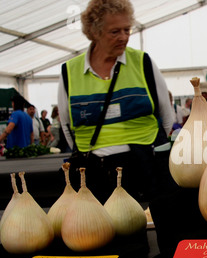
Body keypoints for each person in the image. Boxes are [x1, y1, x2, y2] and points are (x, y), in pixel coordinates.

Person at [57, 0, 173, 203]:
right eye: (115, 32)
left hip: (144, 165)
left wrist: (148, 147)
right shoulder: (70, 71)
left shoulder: (143, 62)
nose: (124, 37)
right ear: (95, 32)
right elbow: (67, 126)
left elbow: (166, 115)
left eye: (127, 30)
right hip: (95, 170)